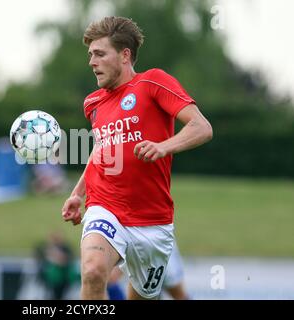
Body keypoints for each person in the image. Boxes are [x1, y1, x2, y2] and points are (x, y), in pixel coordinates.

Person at [61, 16, 213, 300]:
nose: (92, 62)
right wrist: (77, 193)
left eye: (100, 54)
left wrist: (164, 146)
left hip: (152, 222)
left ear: (125, 55)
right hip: (105, 207)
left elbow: (202, 127)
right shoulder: (92, 102)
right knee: (93, 272)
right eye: (90, 55)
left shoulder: (153, 82)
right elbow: (102, 149)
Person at [34, 232, 77, 299]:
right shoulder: (44, 248)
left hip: (63, 279)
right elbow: (39, 258)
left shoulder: (65, 249)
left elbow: (69, 260)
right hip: (48, 279)